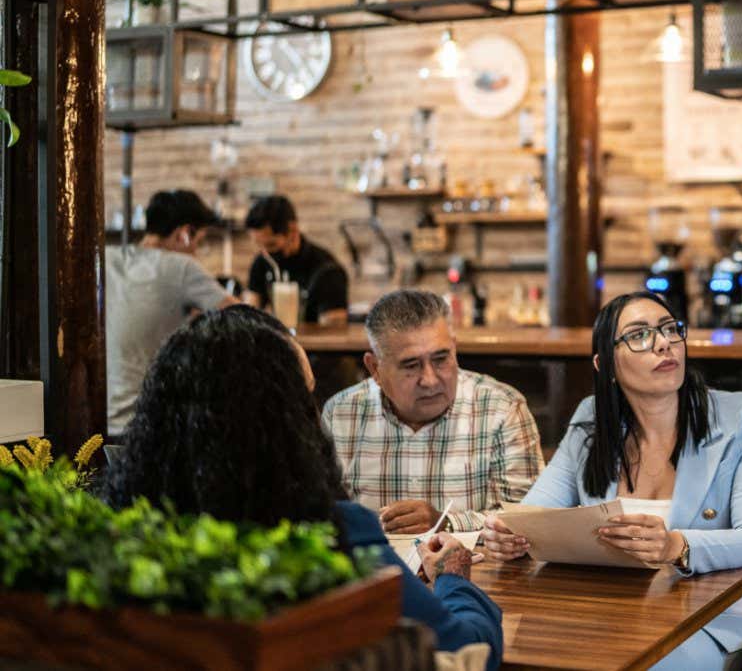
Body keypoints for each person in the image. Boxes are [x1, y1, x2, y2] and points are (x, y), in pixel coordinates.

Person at [104, 306, 503, 665]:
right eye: (304, 398)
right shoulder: (333, 534)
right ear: (280, 422)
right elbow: (467, 649)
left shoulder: (127, 538)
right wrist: (453, 576)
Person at [478, 292, 742, 671]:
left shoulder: (740, 416)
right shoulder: (592, 419)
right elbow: (536, 514)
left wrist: (675, 545)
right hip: (612, 610)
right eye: (638, 335)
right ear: (604, 364)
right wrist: (509, 534)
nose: (663, 343)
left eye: (670, 329)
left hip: (708, 617)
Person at [322, 289, 544, 534]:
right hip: (375, 568)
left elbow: (527, 521)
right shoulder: (341, 414)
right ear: (374, 368)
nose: (429, 380)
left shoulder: (501, 409)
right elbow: (323, 517)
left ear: (454, 349)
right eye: (411, 365)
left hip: (476, 571)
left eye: (441, 359)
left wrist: (446, 523)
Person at [105, 189, 239, 440]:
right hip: (149, 424)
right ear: (184, 234)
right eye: (198, 242)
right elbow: (244, 318)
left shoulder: (107, 258)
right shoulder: (182, 266)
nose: (196, 252)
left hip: (97, 423)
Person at [242, 195, 349, 326]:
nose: (265, 252)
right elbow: (248, 314)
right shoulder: (262, 262)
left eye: (271, 245)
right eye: (259, 245)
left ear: (293, 230)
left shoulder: (327, 270)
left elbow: (332, 331)